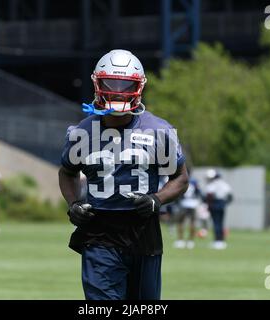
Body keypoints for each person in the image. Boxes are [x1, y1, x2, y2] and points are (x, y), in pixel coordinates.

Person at [58, 49, 188, 300]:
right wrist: (73, 203)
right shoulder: (81, 133)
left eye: (125, 84)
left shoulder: (159, 131)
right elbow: (67, 172)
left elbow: (181, 178)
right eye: (111, 83)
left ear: (138, 87)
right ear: (97, 83)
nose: (118, 91)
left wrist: (156, 199)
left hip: (143, 230)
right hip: (99, 231)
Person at [204, 169, 233, 250]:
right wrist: (225, 203)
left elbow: (210, 195)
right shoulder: (224, 184)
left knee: (216, 223)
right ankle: (221, 240)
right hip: (222, 203)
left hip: (215, 203)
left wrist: (209, 206)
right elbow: (230, 196)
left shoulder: (213, 184)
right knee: (221, 223)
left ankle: (217, 241)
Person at [174, 176, 201, 249]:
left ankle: (180, 240)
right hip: (193, 204)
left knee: (180, 222)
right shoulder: (194, 181)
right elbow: (199, 192)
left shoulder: (183, 179)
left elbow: (179, 191)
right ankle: (190, 241)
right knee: (192, 222)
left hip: (184, 203)